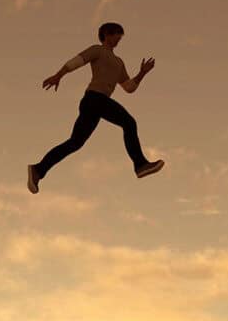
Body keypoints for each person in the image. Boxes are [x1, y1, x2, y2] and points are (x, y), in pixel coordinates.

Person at [28, 22, 163, 193]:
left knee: (75, 142)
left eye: (120, 37)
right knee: (129, 122)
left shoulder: (119, 62)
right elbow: (76, 62)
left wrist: (143, 73)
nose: (119, 39)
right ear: (107, 34)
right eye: (117, 35)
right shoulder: (98, 50)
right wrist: (58, 75)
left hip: (98, 103)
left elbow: (129, 87)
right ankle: (141, 165)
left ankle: (38, 169)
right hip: (94, 98)